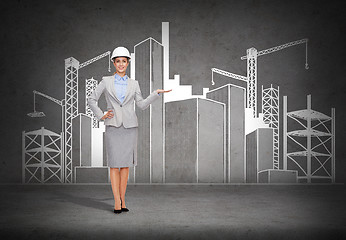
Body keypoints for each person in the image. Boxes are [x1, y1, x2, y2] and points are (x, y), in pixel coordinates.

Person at [88, 46, 171, 214]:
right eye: (118, 61)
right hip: (112, 126)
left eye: (123, 61)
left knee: (125, 166)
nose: (120, 64)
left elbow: (141, 105)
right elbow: (91, 99)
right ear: (113, 63)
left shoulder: (134, 84)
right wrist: (102, 115)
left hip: (130, 127)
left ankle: (122, 200)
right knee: (113, 165)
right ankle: (117, 202)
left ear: (128, 63)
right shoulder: (105, 81)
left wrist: (156, 94)